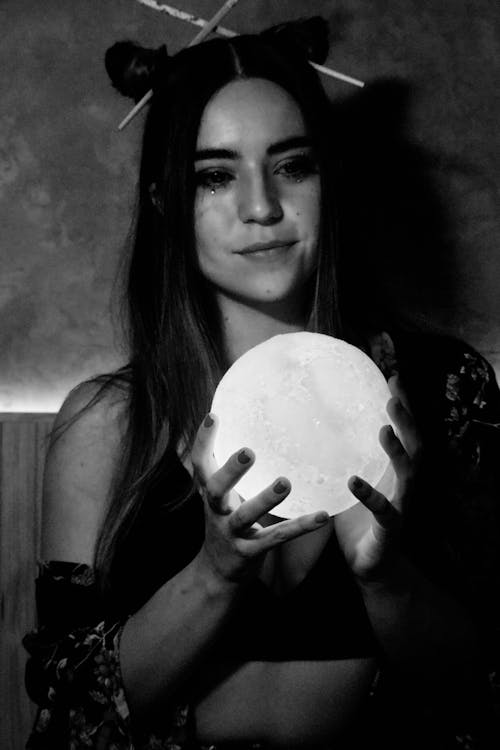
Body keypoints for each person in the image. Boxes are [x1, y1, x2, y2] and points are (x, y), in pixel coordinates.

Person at [23, 17, 500, 750]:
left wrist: (388, 579)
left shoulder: (443, 389)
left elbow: (488, 685)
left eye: (292, 166)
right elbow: (67, 717)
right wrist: (214, 573)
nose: (261, 207)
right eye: (215, 175)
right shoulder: (107, 426)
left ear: (328, 180)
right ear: (163, 203)